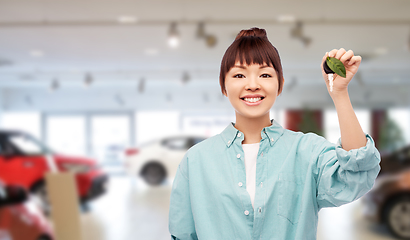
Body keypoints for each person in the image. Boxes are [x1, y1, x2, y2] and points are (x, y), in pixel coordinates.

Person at [168, 27, 381, 240]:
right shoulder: (196, 161)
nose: (253, 85)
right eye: (239, 74)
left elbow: (357, 176)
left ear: (280, 85)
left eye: (265, 74)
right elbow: (183, 235)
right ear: (224, 85)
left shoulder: (307, 151)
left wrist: (340, 93)